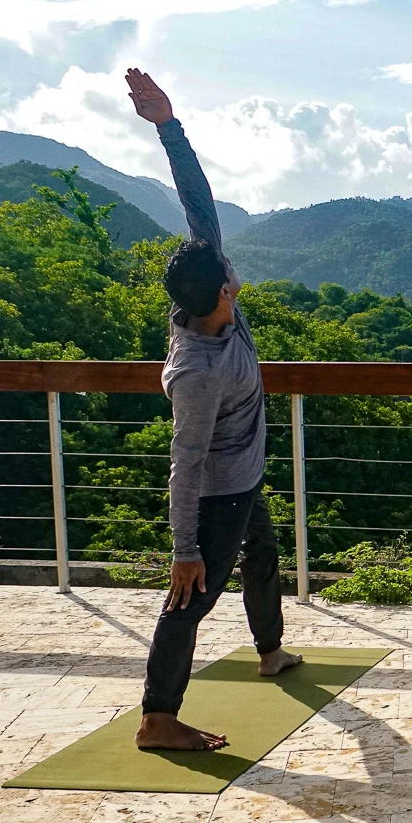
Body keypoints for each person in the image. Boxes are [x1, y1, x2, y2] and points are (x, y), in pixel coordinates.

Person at [125, 68, 301, 751]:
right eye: (230, 274)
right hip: (218, 494)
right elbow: (185, 463)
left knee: (266, 551)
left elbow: (200, 209)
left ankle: (270, 649)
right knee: (189, 602)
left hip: (244, 475)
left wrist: (170, 127)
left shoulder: (213, 316)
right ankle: (157, 717)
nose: (236, 272)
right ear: (225, 291)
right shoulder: (197, 370)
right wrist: (185, 550)